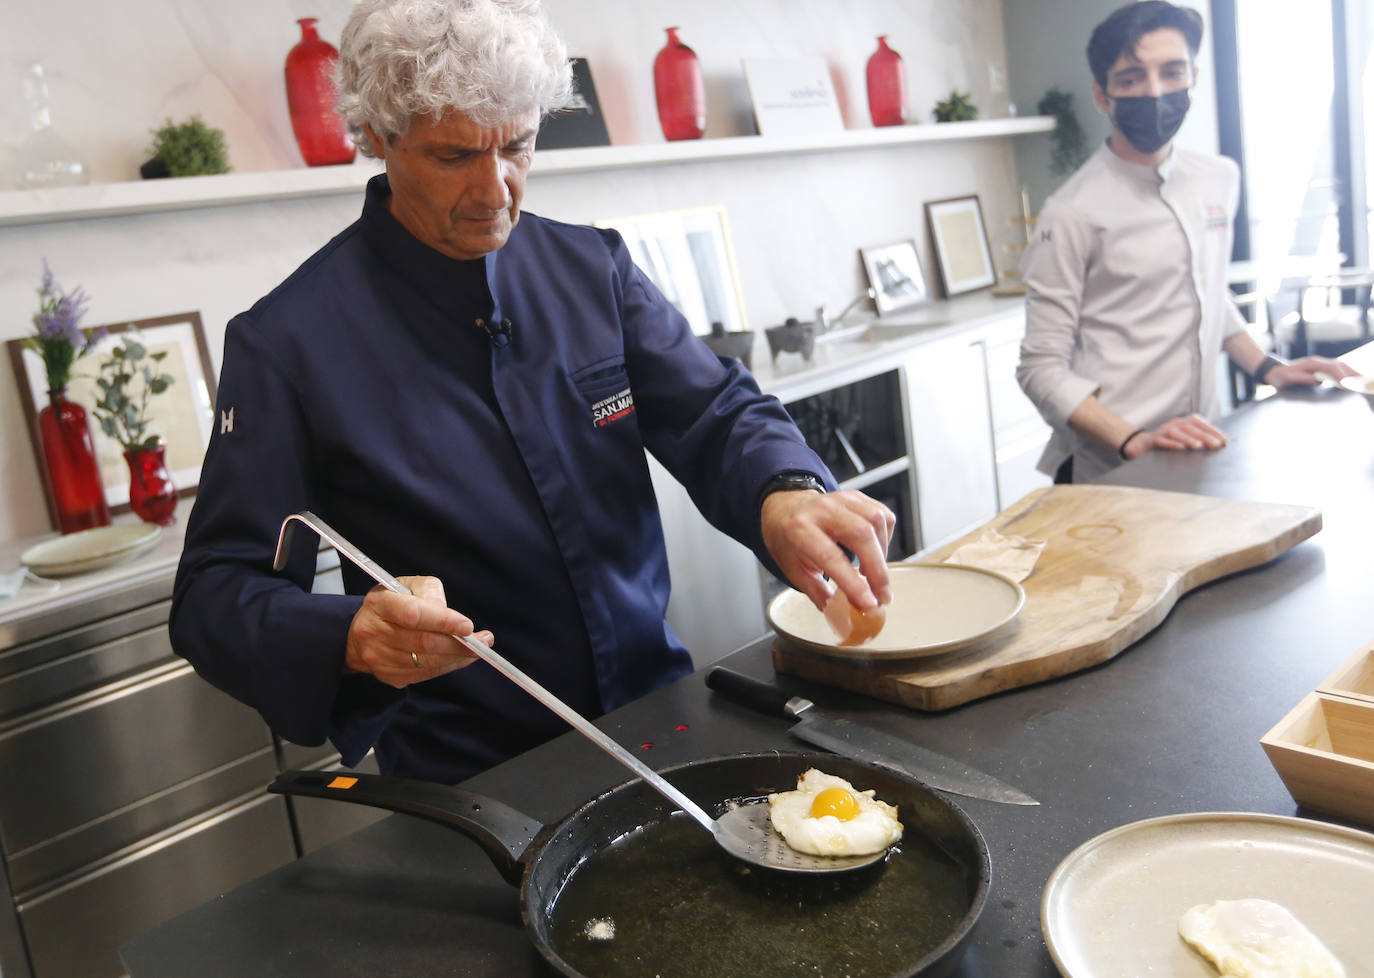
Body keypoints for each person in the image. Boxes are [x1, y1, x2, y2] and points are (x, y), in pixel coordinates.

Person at [169, 0, 894, 786]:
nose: (494, 190)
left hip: (661, 715)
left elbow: (718, 416)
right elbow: (215, 594)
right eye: (452, 156)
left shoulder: (593, 270)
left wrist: (783, 492)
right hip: (474, 775)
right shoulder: (287, 343)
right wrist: (348, 634)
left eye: (517, 146)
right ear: (376, 138)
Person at [1017, 0, 1358, 484]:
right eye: (1132, 79)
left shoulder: (1218, 178)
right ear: (1102, 95)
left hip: (1198, 448)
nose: (1155, 92)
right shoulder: (1071, 211)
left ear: (1194, 78)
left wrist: (1268, 368)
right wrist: (1134, 438)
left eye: (1172, 72)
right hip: (1108, 468)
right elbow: (1040, 368)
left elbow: (1204, 291)